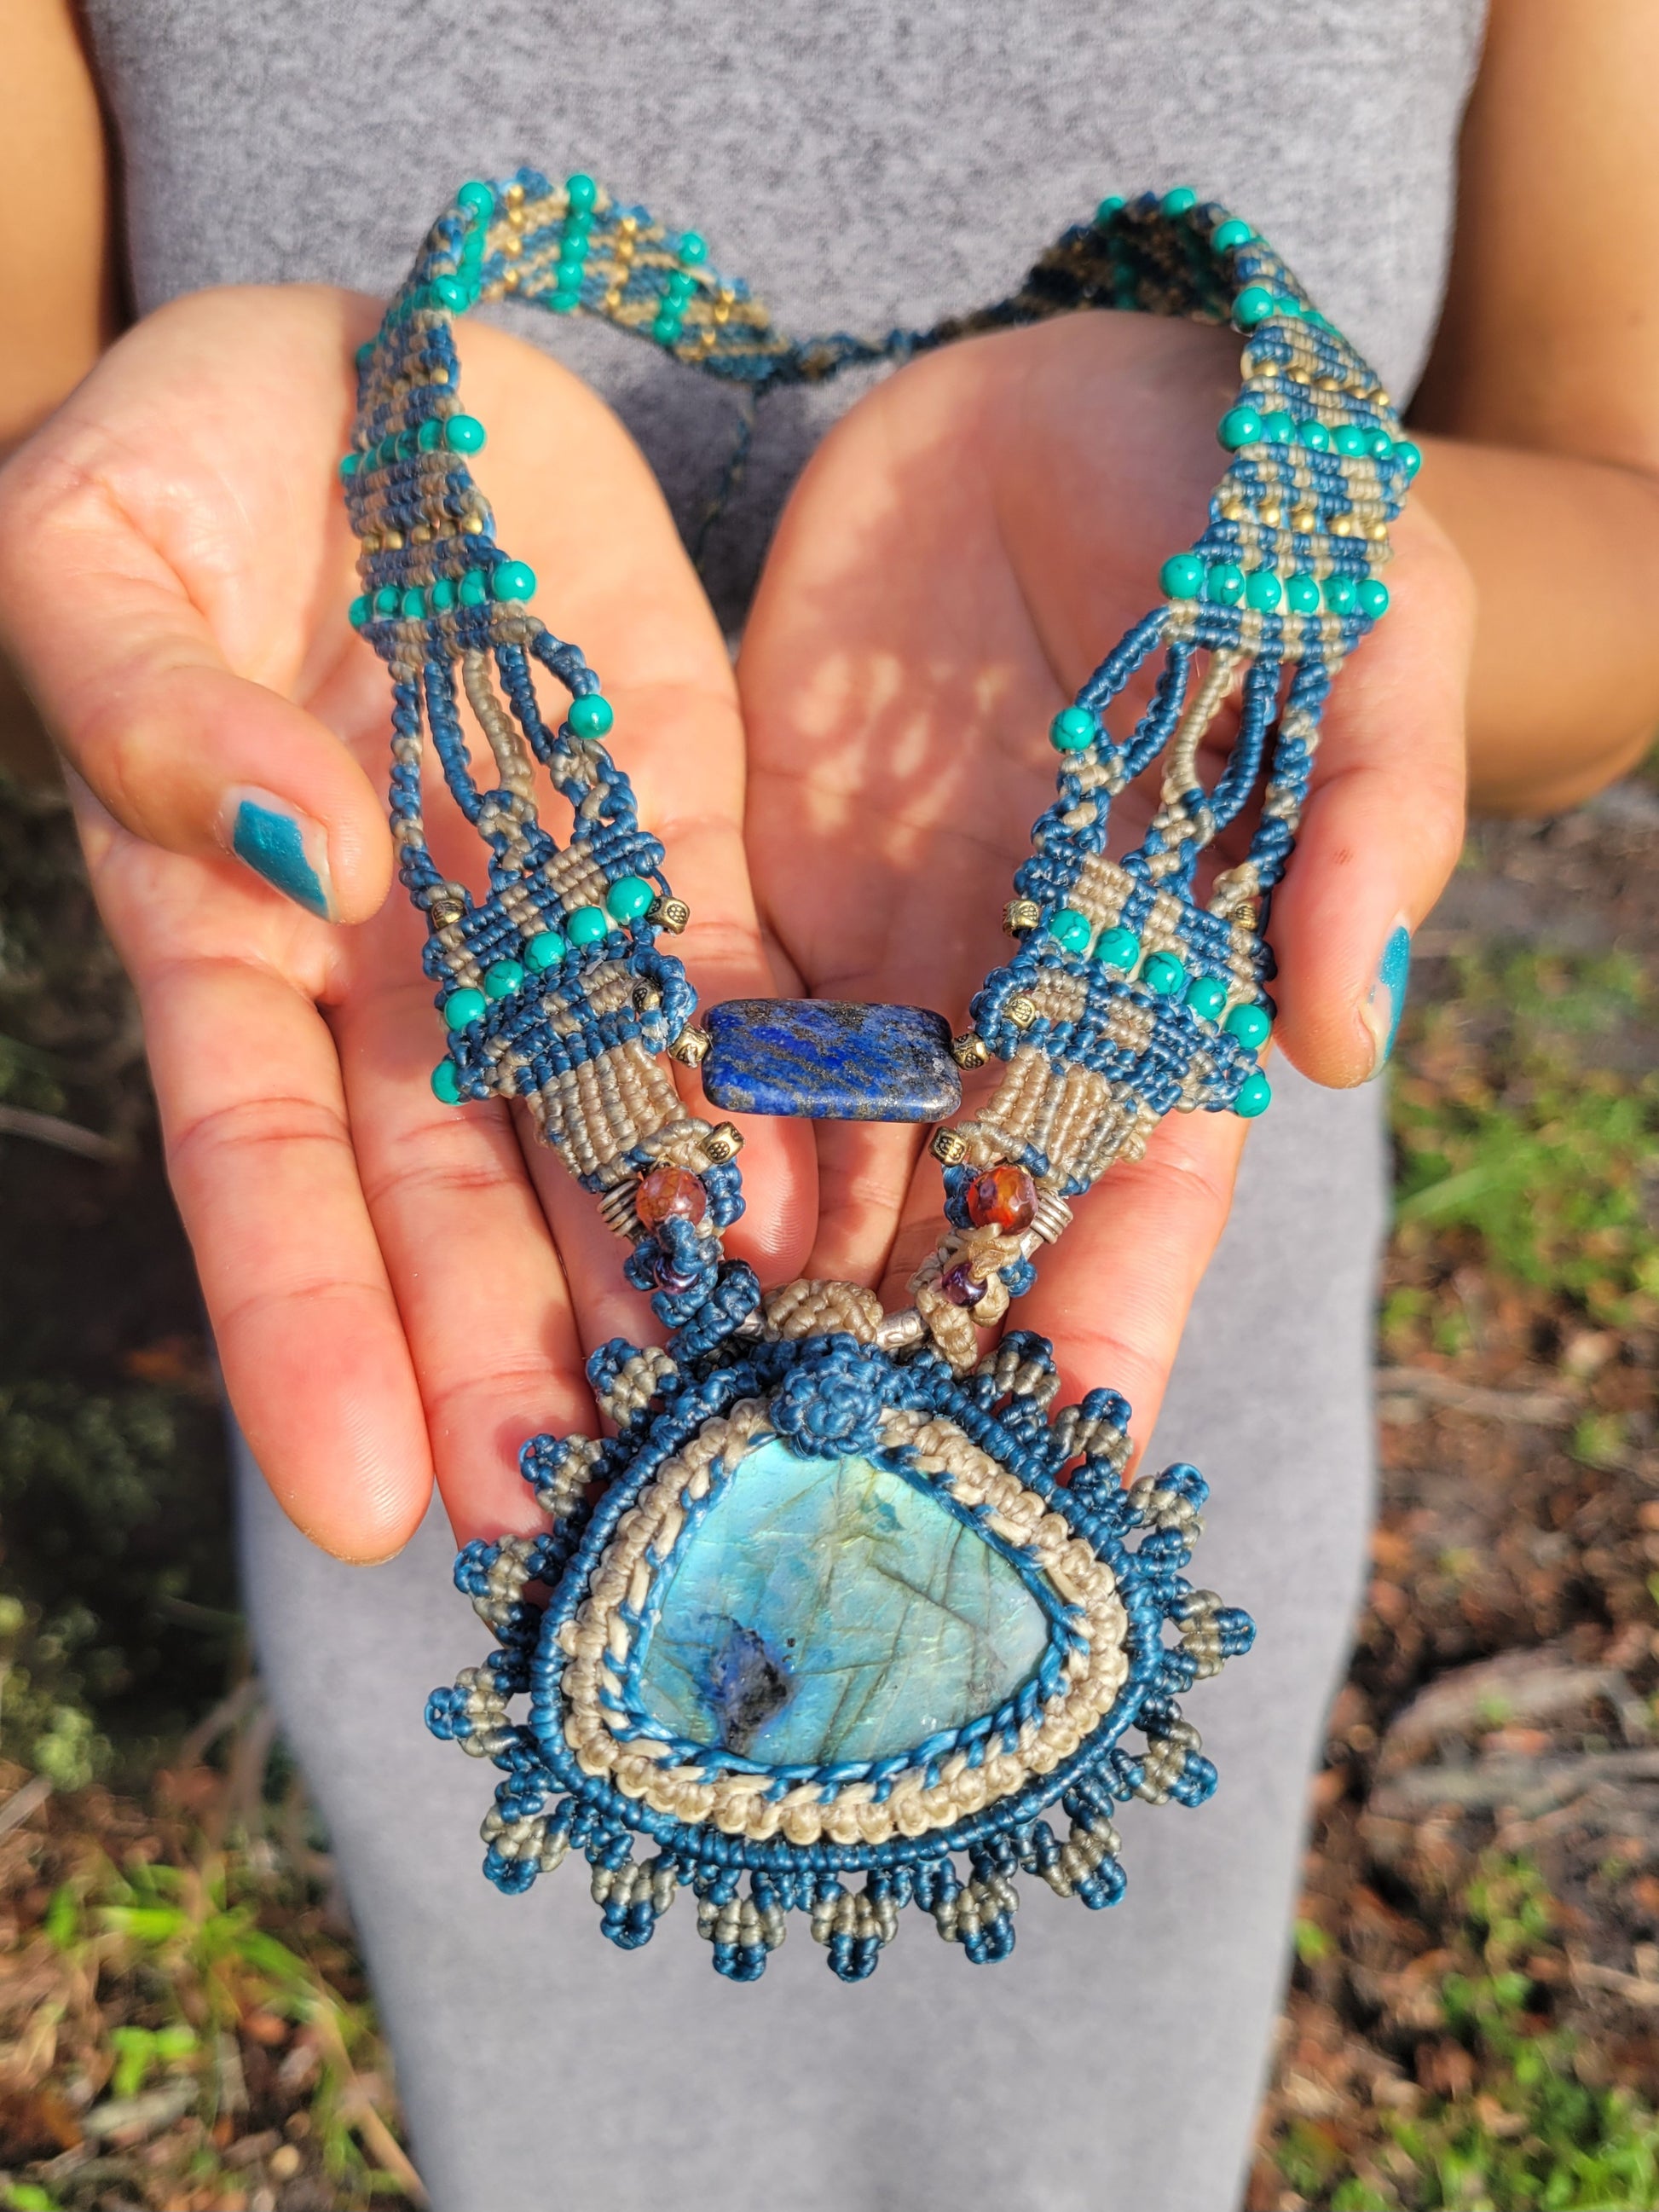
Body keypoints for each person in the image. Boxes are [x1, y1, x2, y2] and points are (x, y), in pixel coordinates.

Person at [3, 2, 1657, 2204]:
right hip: (459, 1298)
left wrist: (1285, 558)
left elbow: (1624, 526)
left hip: (1157, 1305)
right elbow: (61, 506)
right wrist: (163, 536)